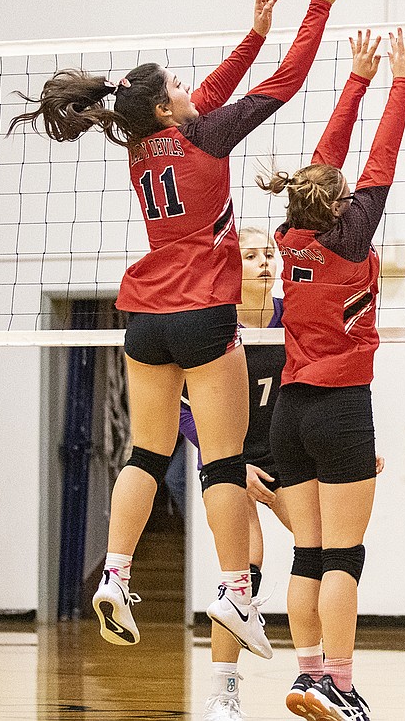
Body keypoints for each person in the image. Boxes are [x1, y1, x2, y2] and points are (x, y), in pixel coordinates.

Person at [7, 0, 347, 657]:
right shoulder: (205, 136)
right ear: (167, 108)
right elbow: (283, 84)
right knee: (222, 464)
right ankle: (235, 594)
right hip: (201, 313)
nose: (195, 91)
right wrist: (317, 8)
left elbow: (210, 94)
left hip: (144, 317)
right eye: (180, 88)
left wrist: (252, 33)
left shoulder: (141, 143)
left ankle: (115, 572)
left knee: (145, 449)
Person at [258, 28, 405, 720]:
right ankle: (343, 686)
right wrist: (401, 79)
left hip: (290, 413)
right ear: (339, 207)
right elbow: (379, 160)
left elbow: (322, 165)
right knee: (343, 558)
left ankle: (307, 676)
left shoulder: (289, 238)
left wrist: (356, 78)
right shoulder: (351, 237)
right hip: (341, 404)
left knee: (309, 552)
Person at [177, 225, 292, 721]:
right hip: (227, 455)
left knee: (329, 545)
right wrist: (231, 463)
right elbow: (183, 411)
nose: (264, 262)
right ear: (230, 267)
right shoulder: (214, 325)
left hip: (281, 454)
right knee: (241, 567)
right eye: (250, 256)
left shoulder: (293, 319)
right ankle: (223, 694)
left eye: (269, 253)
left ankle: (323, 676)